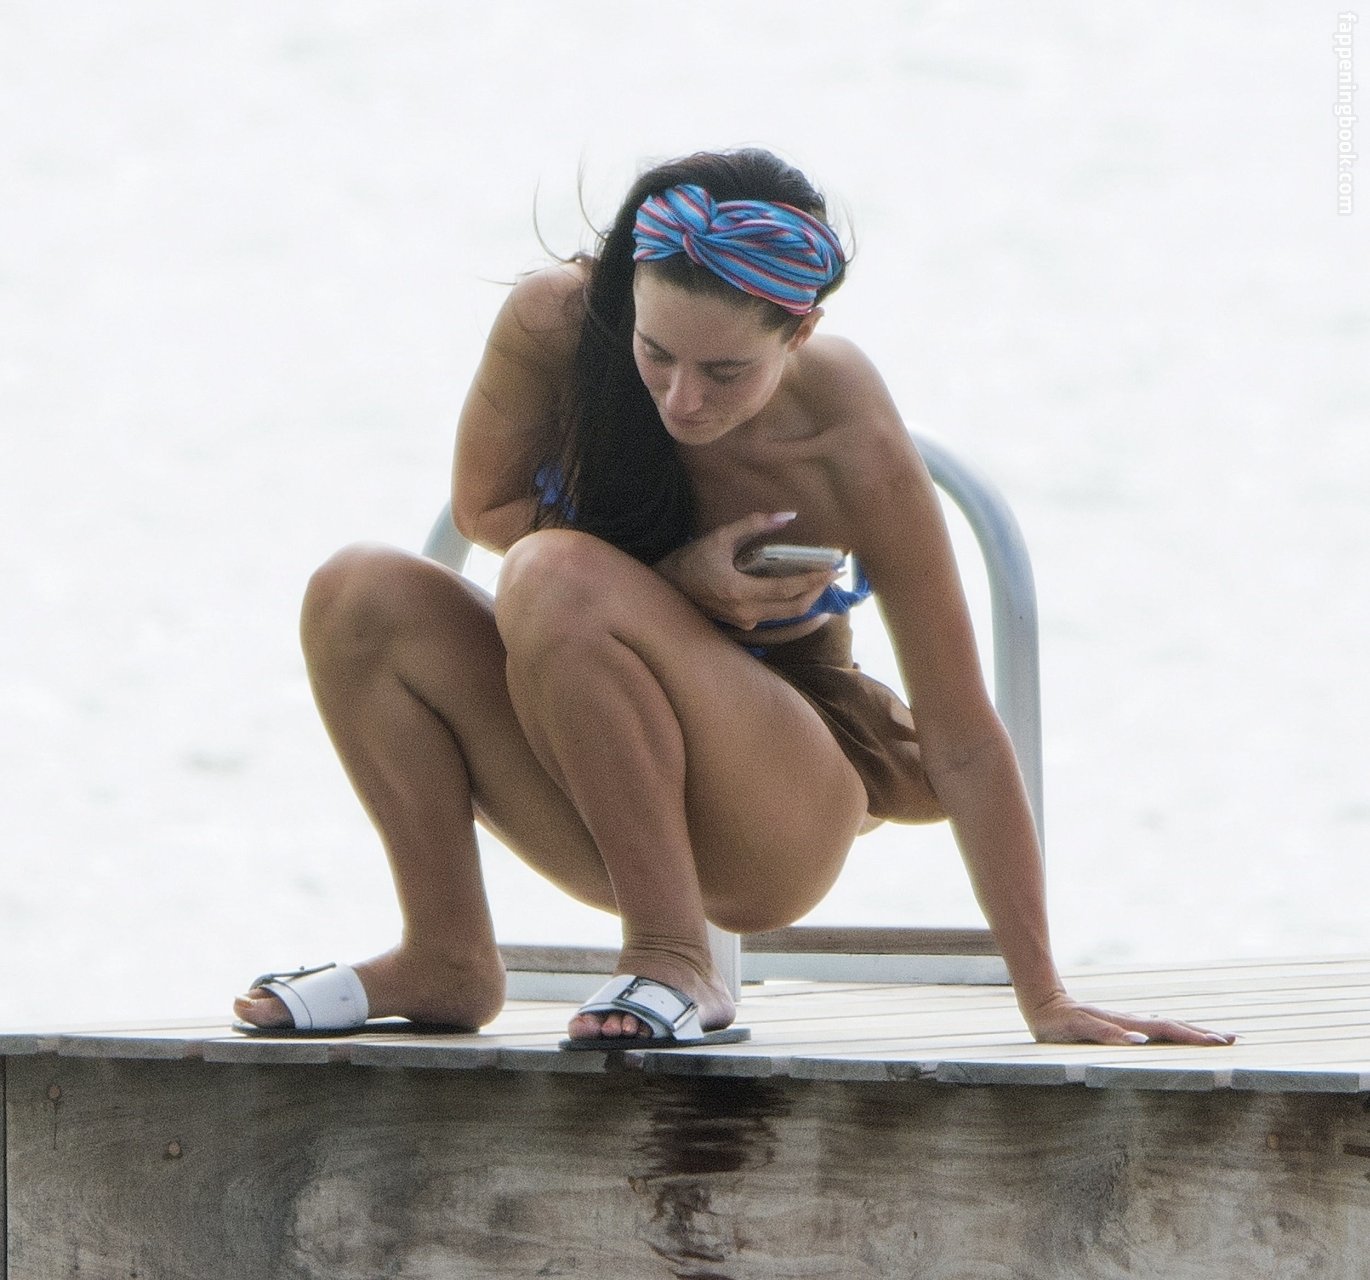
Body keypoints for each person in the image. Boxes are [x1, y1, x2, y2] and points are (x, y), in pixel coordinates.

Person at [233, 148, 1234, 1049]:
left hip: (777, 807)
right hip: (594, 768)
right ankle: (445, 954)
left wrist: (1044, 992)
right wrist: (671, 582)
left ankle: (675, 956)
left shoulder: (847, 430)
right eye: (655, 353)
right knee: (358, 590)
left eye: (724, 371)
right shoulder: (556, 322)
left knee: (552, 576)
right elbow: (485, 505)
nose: (681, 399)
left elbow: (962, 730)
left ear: (800, 330)